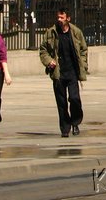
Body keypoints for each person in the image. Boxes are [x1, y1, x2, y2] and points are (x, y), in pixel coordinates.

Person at [39, 8, 88, 137]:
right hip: (58, 73)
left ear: (68, 19)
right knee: (61, 102)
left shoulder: (76, 32)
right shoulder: (51, 32)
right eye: (58, 17)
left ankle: (75, 122)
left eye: (62, 17)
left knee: (74, 98)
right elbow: (43, 50)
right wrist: (49, 61)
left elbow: (83, 50)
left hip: (72, 72)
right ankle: (65, 128)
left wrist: (83, 65)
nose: (59, 20)